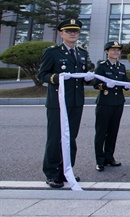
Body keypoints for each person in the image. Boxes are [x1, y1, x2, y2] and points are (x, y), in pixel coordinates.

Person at [38, 18, 93, 188]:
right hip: (58, 102)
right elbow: (43, 75)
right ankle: (52, 173)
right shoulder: (52, 52)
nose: (73, 34)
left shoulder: (82, 53)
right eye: (69, 31)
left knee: (71, 138)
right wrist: (56, 78)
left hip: (76, 101)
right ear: (61, 34)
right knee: (55, 138)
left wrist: (89, 77)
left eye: (75, 31)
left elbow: (84, 74)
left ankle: (66, 170)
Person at [93, 41, 127, 172]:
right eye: (113, 50)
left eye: (118, 50)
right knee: (101, 132)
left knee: (113, 132)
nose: (116, 52)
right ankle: (99, 160)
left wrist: (127, 86)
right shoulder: (102, 66)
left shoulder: (121, 66)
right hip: (105, 102)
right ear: (107, 52)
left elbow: (124, 82)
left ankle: (109, 157)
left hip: (118, 102)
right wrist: (106, 85)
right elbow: (96, 84)